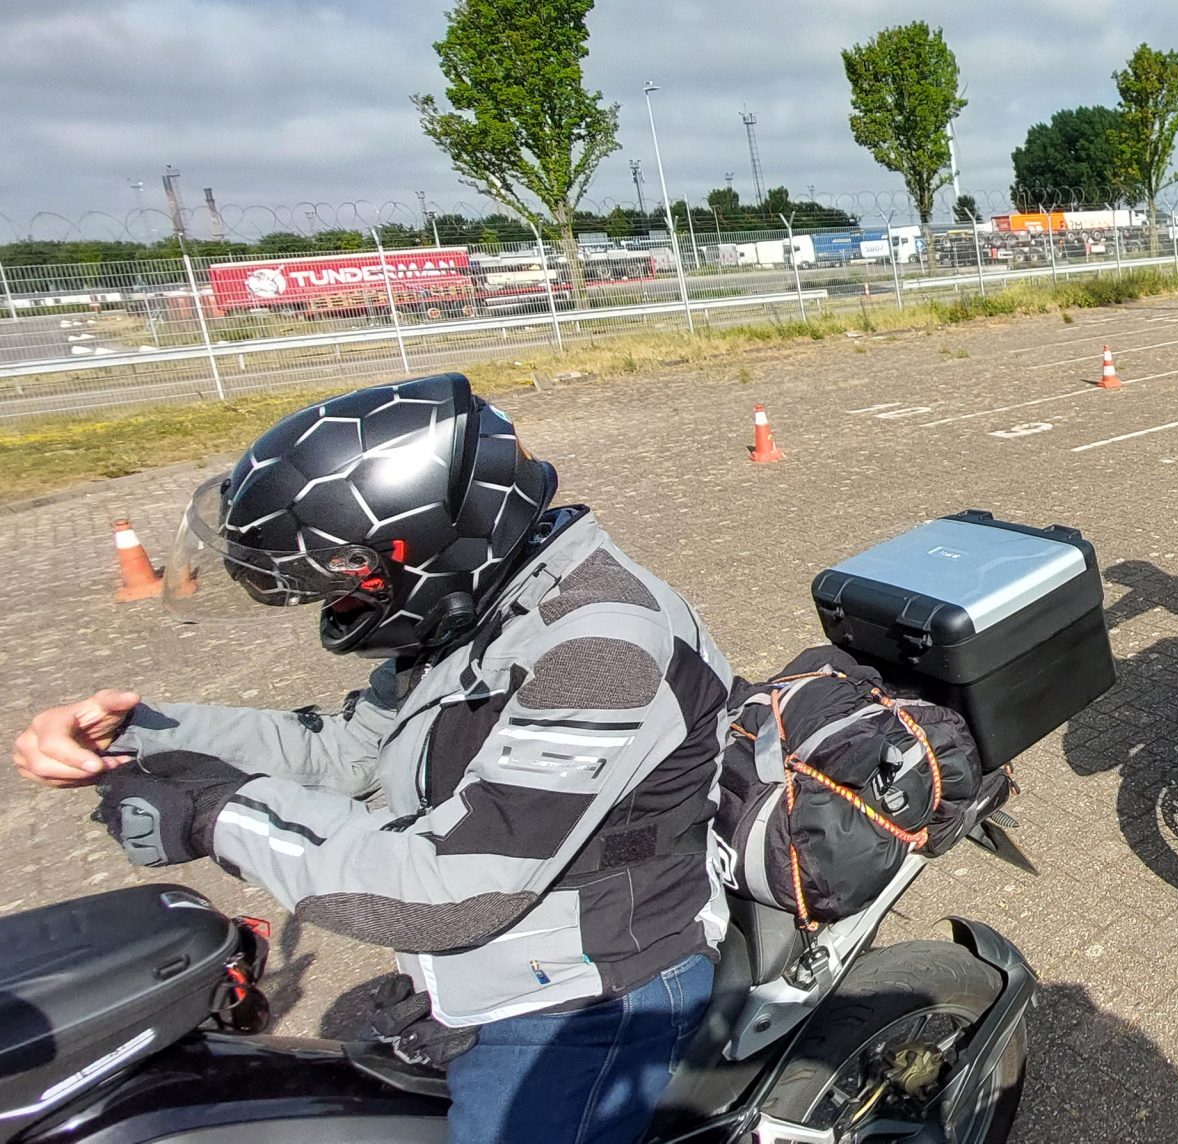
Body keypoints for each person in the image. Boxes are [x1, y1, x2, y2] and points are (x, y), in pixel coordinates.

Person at [13, 374, 734, 1144]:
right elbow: (349, 749)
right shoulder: (486, 604)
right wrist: (141, 732)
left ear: (429, 547)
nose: (339, 607)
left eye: (351, 583)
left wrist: (216, 813)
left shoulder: (598, 650)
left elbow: (455, 890)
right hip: (495, 968)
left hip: (591, 993)